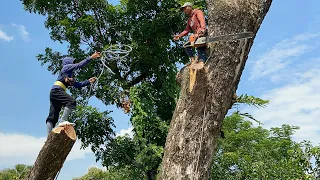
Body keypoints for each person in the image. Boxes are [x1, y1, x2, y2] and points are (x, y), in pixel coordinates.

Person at [45, 52, 101, 134]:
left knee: (53, 116)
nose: (74, 64)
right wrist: (91, 57)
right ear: (68, 63)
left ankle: (48, 137)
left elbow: (78, 85)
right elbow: (79, 65)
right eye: (73, 62)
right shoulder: (66, 67)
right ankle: (63, 120)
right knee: (71, 101)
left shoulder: (68, 75)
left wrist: (88, 81)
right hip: (57, 90)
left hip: (54, 93)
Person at [174, 2, 208, 69]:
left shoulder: (197, 12)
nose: (184, 10)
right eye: (183, 9)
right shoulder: (189, 19)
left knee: (200, 46)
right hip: (195, 36)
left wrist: (202, 30)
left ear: (189, 7)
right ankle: (192, 60)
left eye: (185, 8)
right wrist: (179, 36)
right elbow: (186, 30)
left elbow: (202, 21)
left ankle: (201, 62)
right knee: (186, 45)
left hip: (201, 34)